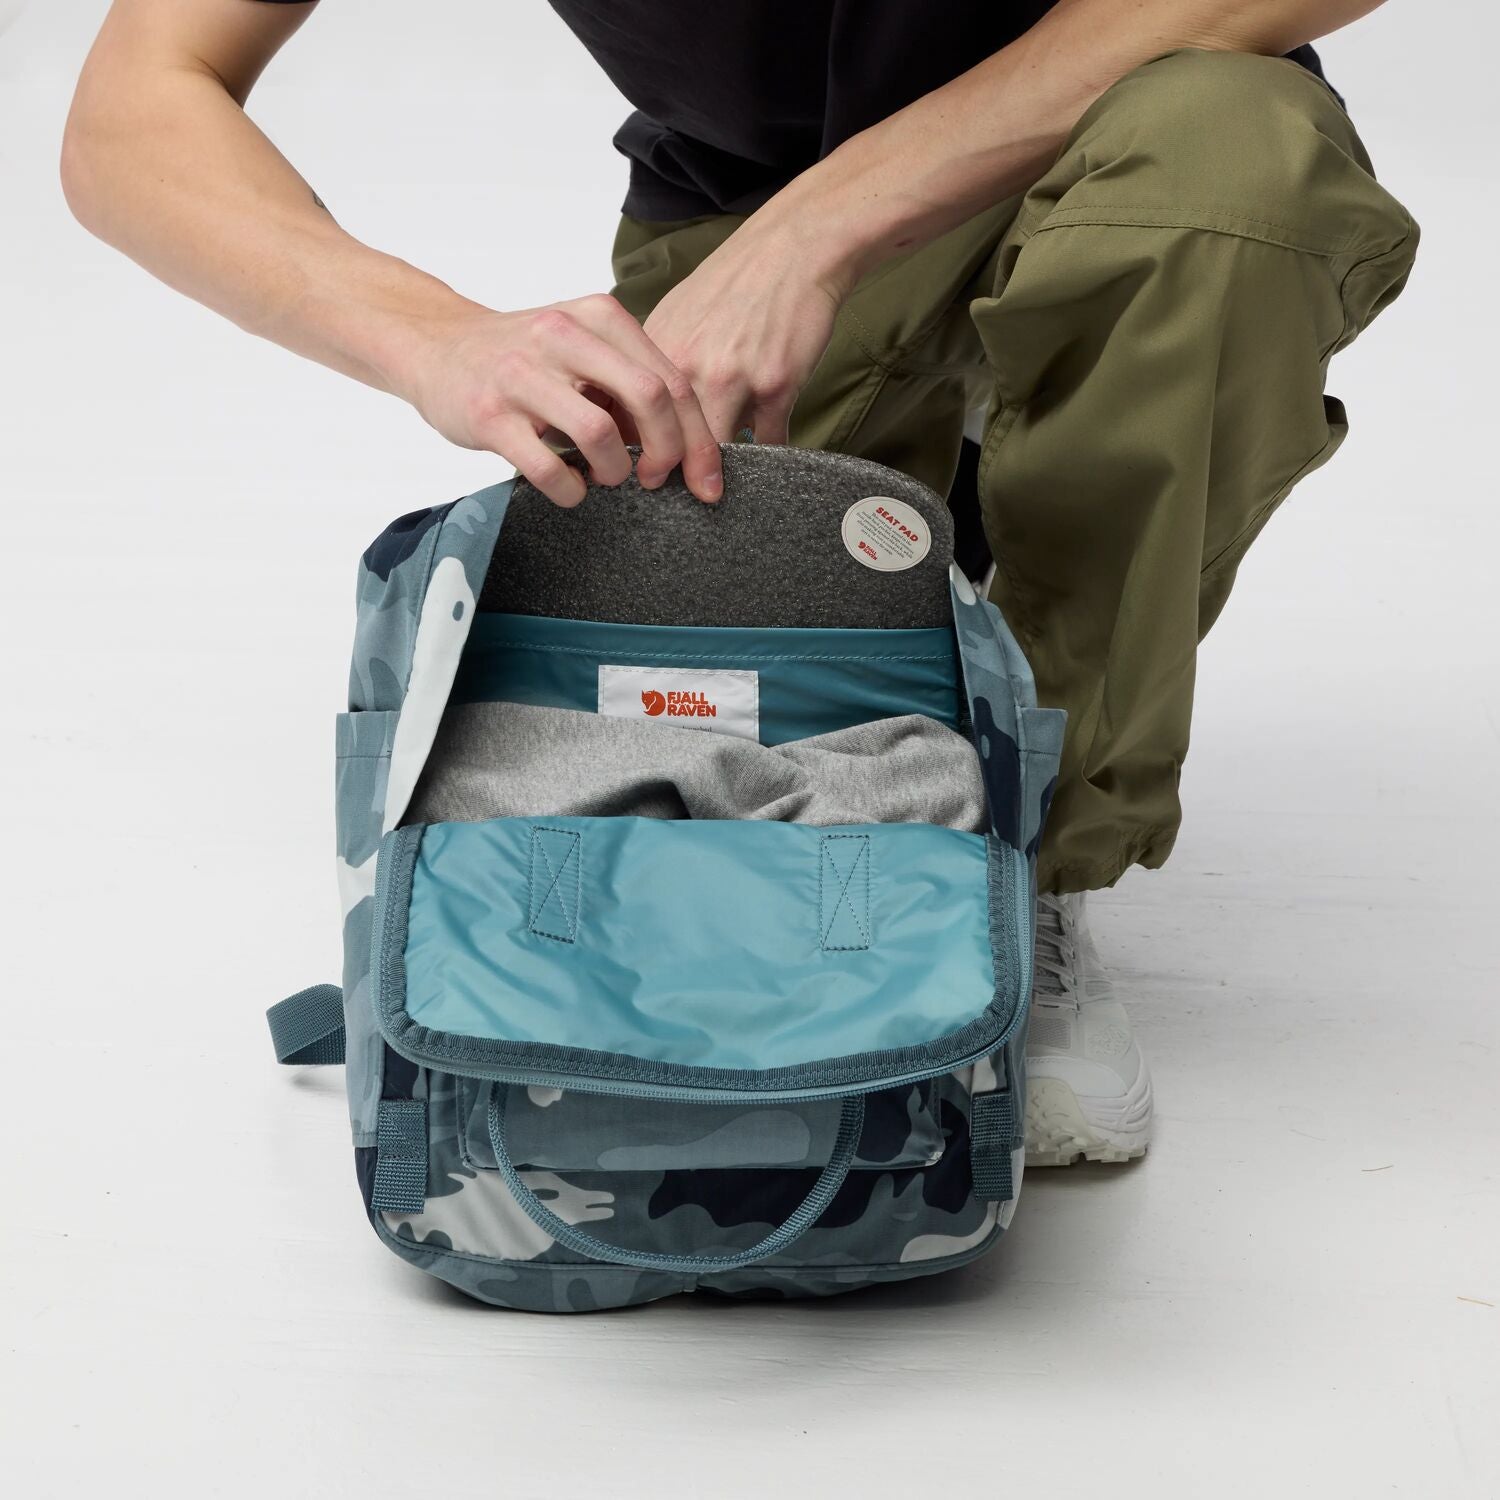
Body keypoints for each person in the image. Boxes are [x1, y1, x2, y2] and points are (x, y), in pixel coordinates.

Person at [61, 0, 1418, 1168]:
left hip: (1121, 144)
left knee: (1233, 172)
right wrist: (442, 343)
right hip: (733, 245)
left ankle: (1026, 872)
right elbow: (134, 111)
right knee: (787, 697)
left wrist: (820, 226)